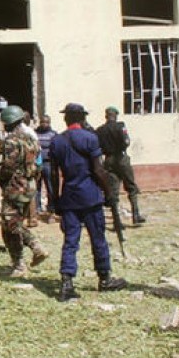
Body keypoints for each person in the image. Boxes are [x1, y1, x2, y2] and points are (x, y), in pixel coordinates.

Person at [50, 103, 127, 302]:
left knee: (70, 241)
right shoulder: (90, 138)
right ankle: (104, 278)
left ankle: (66, 281)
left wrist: (54, 200)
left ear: (66, 119)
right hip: (90, 196)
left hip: (69, 196)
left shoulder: (57, 141)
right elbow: (98, 170)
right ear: (82, 119)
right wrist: (109, 193)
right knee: (98, 238)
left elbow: (53, 174)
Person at [0, 106, 49, 277]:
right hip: (29, 186)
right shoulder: (31, 139)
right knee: (7, 226)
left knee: (11, 223)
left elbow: (9, 166)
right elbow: (38, 165)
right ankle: (18, 264)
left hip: (15, 187)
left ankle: (35, 246)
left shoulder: (11, 141)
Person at [96, 106, 146, 225]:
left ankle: (116, 221)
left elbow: (98, 146)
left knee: (113, 190)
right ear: (115, 115)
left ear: (106, 116)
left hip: (108, 159)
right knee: (131, 187)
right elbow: (126, 142)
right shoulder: (120, 126)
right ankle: (135, 215)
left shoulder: (100, 130)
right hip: (121, 158)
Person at [36, 115, 58, 223]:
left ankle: (51, 209)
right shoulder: (35, 133)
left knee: (50, 187)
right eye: (42, 122)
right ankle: (37, 208)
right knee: (37, 187)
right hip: (37, 164)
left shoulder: (53, 134)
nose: (44, 124)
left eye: (46, 122)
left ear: (49, 123)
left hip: (49, 163)